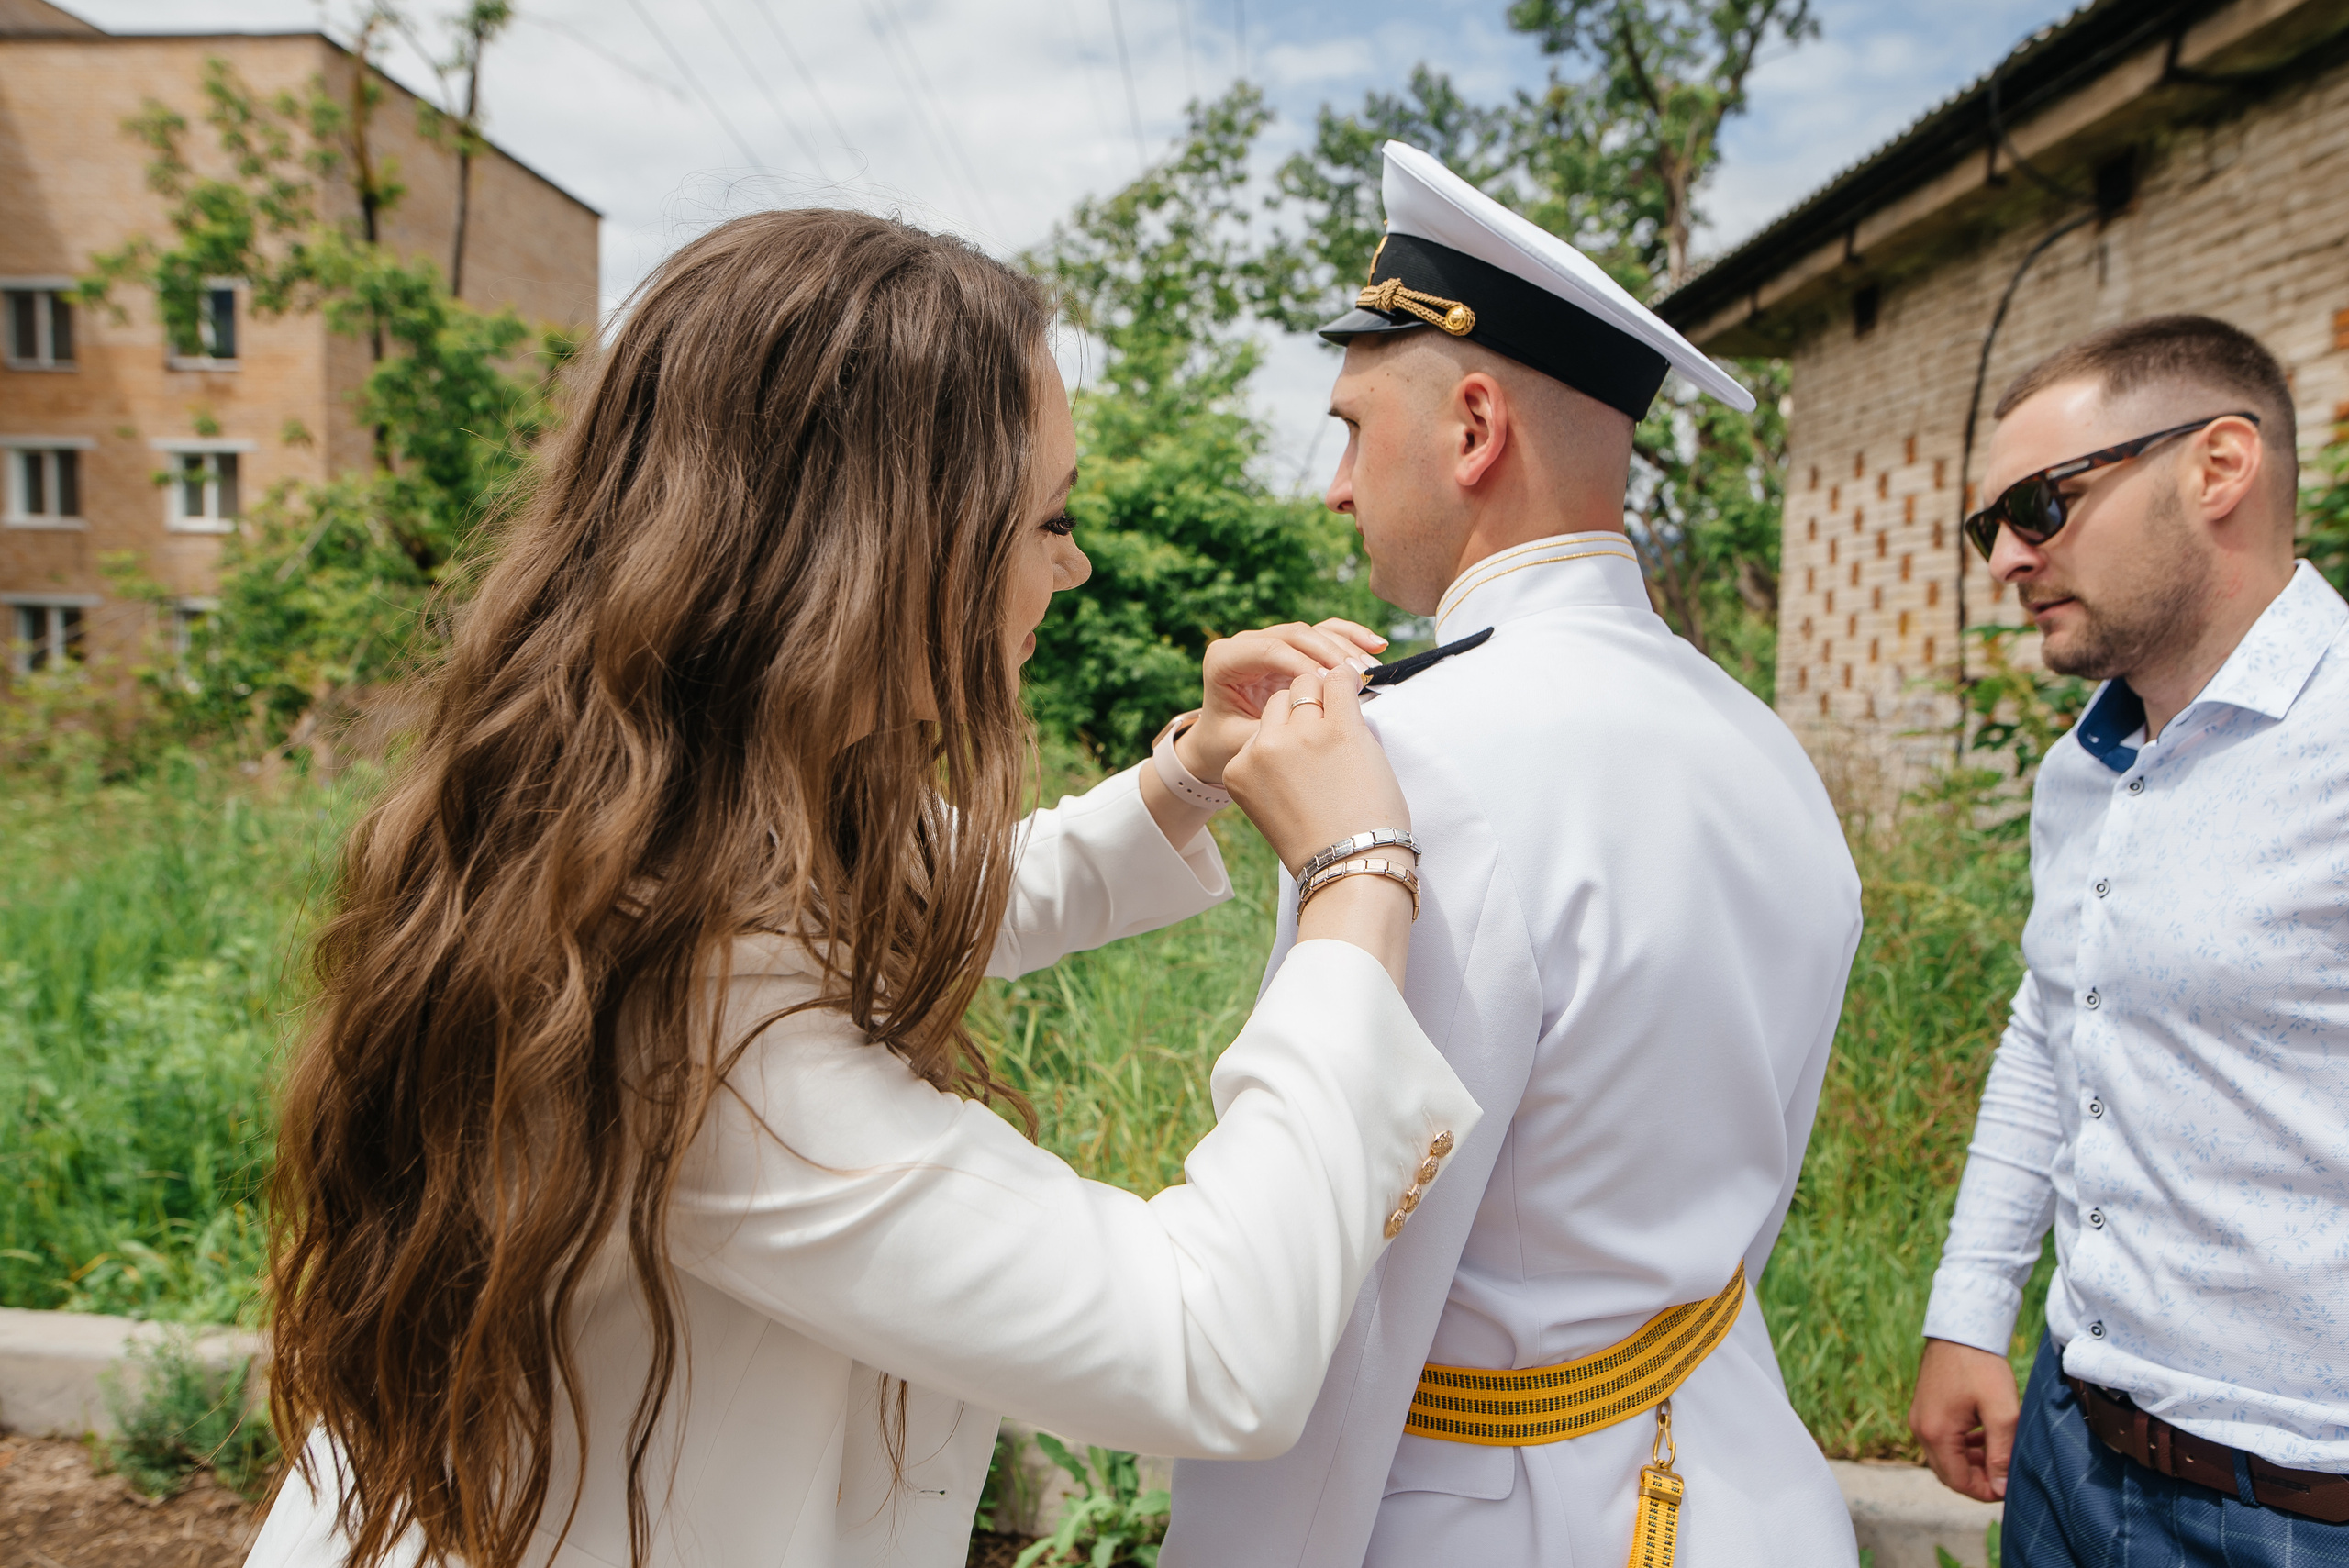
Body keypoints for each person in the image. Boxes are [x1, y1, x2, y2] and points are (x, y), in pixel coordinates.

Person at [242, 208, 1483, 1568]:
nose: (1072, 567)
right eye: (1048, 520)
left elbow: (959, 890)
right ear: (883, 555)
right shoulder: (701, 1018)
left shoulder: (653, 797)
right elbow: (1208, 1344)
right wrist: (1361, 880)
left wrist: (1189, 770)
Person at [1163, 142, 1863, 1568]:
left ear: (1474, 425)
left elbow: (1327, 1288)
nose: (1337, 489)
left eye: (1356, 429)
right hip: (1737, 1472)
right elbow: (1758, 1179)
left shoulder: (1414, 761)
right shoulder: (1765, 744)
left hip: (1486, 1513)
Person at [1908, 315, 2349, 1562]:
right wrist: (1968, 1308)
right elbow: (2053, 1026)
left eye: (2041, 504)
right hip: (2065, 1451)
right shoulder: (2083, 769)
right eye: (1985, 525)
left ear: (2218, 467)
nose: (2003, 558)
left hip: (2297, 1510)